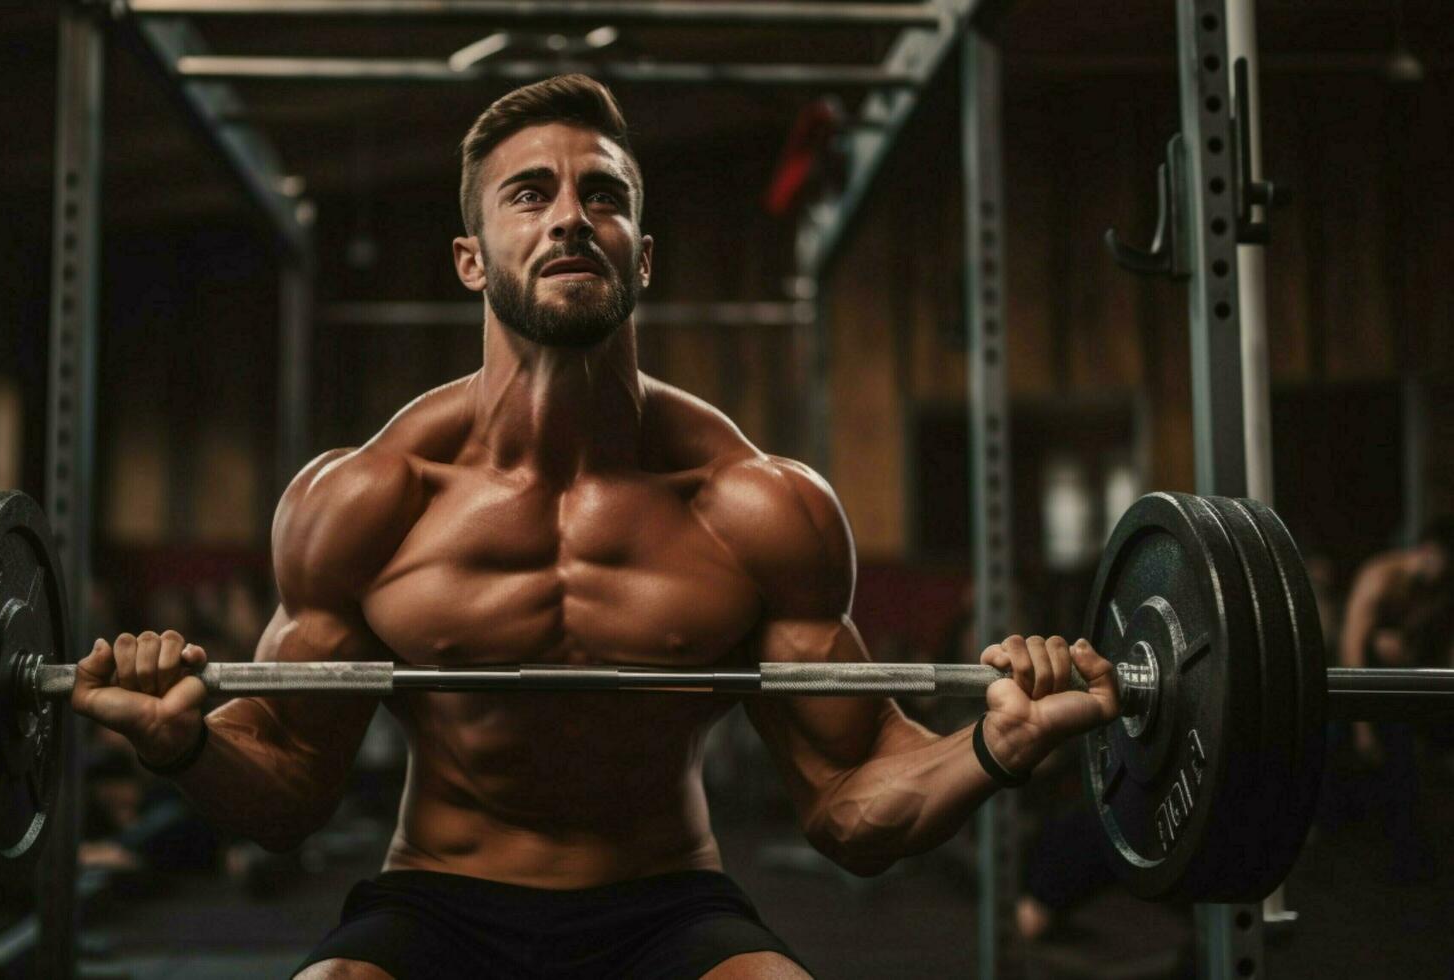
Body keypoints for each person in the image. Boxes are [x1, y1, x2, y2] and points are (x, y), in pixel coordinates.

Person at [70, 75, 1120, 980]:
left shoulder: (756, 503)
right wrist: (184, 743)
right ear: (472, 258)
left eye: (603, 195)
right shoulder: (366, 499)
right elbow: (290, 784)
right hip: (437, 897)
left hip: (666, 903)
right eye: (530, 194)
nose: (570, 216)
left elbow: (849, 802)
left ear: (642, 253)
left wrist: (994, 743)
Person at [1337, 517, 1454, 881]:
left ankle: (1410, 852)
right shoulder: (1381, 577)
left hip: (1406, 684)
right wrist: (1361, 727)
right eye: (1440, 561)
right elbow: (1351, 649)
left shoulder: (1437, 591)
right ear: (1424, 552)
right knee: (1381, 760)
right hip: (1357, 682)